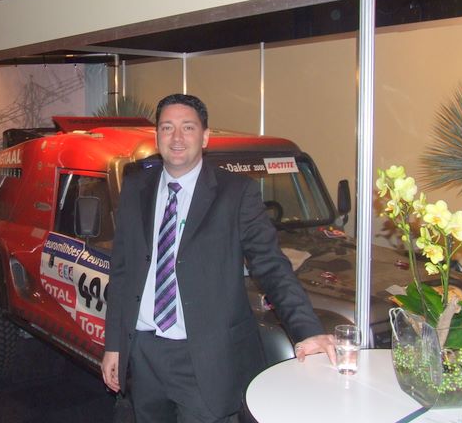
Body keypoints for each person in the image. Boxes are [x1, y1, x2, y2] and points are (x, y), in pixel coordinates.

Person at [102, 94, 335, 423]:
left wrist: (307, 331)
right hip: (144, 354)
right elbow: (122, 272)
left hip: (206, 359)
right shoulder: (136, 188)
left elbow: (271, 266)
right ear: (157, 136)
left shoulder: (236, 193)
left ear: (205, 137)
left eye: (188, 127)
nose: (177, 137)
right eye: (167, 127)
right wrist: (114, 345)